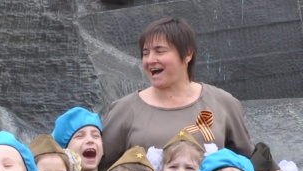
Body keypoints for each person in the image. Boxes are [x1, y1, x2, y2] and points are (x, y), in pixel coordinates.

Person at [100, 16, 253, 162]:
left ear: (187, 54)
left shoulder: (223, 103)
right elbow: (98, 170)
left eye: (160, 51)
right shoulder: (124, 109)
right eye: (145, 53)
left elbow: (248, 164)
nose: (150, 60)